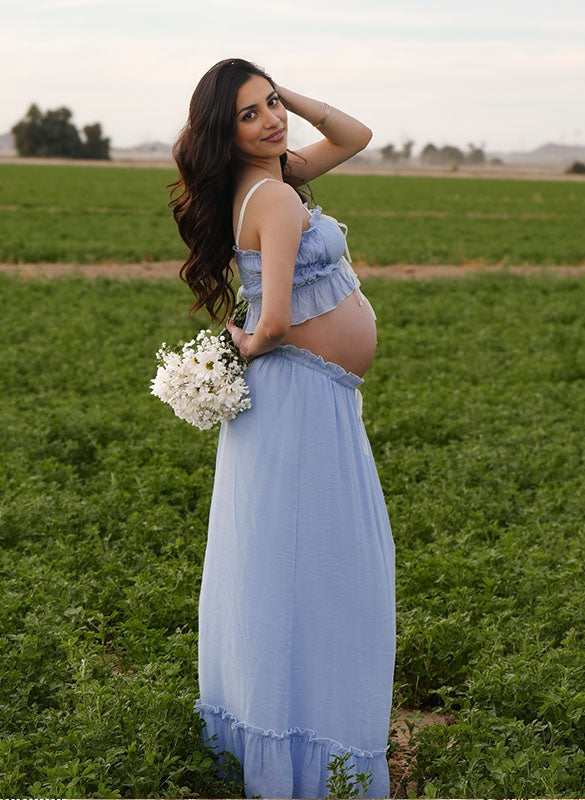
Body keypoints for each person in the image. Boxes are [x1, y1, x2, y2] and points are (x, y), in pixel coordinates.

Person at [169, 58, 396, 800]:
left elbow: (357, 133)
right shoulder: (272, 194)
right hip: (299, 404)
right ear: (223, 134)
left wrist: (280, 97)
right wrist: (248, 345)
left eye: (273, 103)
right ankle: (305, 761)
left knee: (285, 571)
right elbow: (271, 321)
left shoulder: (271, 175)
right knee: (319, 576)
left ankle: (271, 737)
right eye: (250, 114)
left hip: (309, 401)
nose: (272, 118)